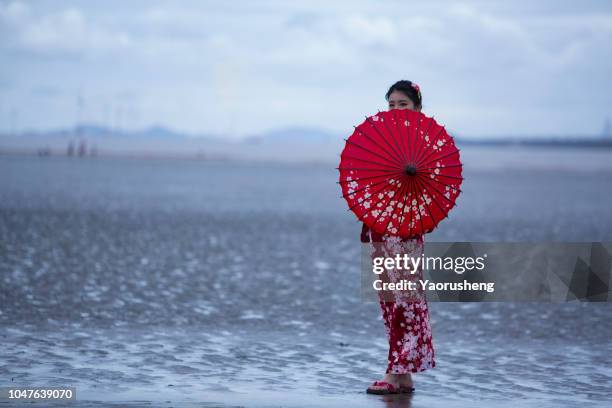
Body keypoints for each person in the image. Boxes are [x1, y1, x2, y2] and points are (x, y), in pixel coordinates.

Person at [365, 80, 436, 395]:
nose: (395, 109)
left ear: (418, 107)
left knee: (404, 303)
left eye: (402, 104)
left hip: (406, 230)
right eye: (391, 104)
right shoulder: (382, 140)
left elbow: (430, 188)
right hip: (382, 227)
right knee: (389, 301)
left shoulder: (424, 143)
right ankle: (404, 374)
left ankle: (395, 372)